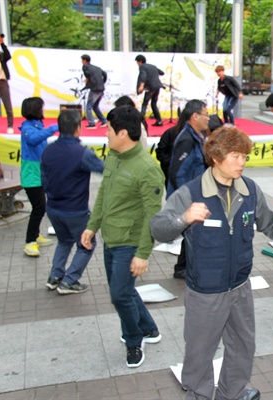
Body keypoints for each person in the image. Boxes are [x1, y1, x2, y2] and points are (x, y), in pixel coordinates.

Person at [150, 126, 273, 400]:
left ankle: (232, 392)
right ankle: (199, 395)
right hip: (205, 292)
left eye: (244, 156)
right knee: (200, 352)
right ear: (215, 156)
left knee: (243, 347)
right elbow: (158, 229)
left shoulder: (249, 189)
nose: (242, 162)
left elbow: (269, 222)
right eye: (235, 156)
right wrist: (184, 218)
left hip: (239, 288)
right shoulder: (191, 193)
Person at [81, 106, 164, 368]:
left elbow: (153, 218)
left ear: (123, 133)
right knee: (124, 291)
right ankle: (150, 328)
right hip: (110, 238)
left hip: (130, 243)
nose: (105, 133)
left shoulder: (148, 169)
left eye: (108, 129)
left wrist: (142, 254)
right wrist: (92, 226)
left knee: (118, 295)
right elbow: (105, 192)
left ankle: (133, 340)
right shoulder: (114, 156)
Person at [41, 110, 104, 294]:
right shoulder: (82, 153)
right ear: (78, 128)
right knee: (87, 244)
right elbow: (105, 170)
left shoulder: (48, 151)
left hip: (53, 207)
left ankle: (55, 277)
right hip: (75, 210)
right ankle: (69, 280)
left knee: (64, 241)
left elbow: (44, 181)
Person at [167, 100, 210, 280]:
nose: (208, 118)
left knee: (193, 233)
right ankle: (188, 269)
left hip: (194, 195)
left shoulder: (195, 136)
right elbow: (177, 173)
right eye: (206, 114)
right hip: (187, 198)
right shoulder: (187, 139)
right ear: (195, 116)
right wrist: (188, 200)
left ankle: (183, 267)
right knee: (195, 233)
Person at [20, 97, 59, 257]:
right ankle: (30, 241)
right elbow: (34, 139)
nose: (43, 110)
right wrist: (53, 128)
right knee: (39, 208)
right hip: (31, 176)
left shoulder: (37, 126)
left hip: (40, 175)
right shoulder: (27, 128)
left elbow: (42, 146)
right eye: (41, 108)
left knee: (41, 207)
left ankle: (35, 235)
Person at [135, 54, 164, 127]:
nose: (137, 64)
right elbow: (162, 73)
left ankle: (141, 122)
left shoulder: (142, 67)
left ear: (140, 61)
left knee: (145, 103)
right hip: (157, 86)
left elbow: (143, 76)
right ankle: (159, 121)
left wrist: (141, 86)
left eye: (137, 62)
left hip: (150, 87)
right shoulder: (153, 66)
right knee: (153, 103)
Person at [80, 54, 108, 129]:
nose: (81, 62)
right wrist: (103, 82)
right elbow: (105, 74)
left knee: (88, 106)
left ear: (85, 60)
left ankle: (92, 124)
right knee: (95, 106)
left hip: (95, 89)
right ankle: (104, 120)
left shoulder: (85, 67)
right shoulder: (97, 68)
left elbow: (88, 75)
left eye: (82, 60)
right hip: (101, 88)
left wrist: (87, 80)